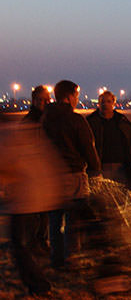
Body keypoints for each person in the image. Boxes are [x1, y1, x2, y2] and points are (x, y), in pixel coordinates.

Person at [0, 115, 69, 294]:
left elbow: (8, 167)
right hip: (40, 195)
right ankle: (38, 278)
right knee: (25, 242)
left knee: (19, 244)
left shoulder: (6, 136)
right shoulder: (24, 132)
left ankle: (38, 284)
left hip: (26, 199)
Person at [41, 80, 102, 268]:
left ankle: (56, 258)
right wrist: (96, 170)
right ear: (69, 97)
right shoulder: (75, 120)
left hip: (51, 176)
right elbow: (87, 147)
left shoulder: (45, 119)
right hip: (73, 175)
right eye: (76, 96)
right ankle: (71, 257)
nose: (77, 99)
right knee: (74, 221)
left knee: (54, 221)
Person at [87, 91, 131, 192]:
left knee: (120, 197)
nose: (105, 104)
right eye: (102, 101)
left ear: (113, 103)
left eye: (108, 101)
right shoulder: (91, 121)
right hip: (100, 167)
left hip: (120, 168)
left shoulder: (121, 121)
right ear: (98, 104)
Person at [20, 86, 53, 254]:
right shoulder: (29, 122)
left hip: (46, 173)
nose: (45, 103)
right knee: (34, 214)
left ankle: (41, 241)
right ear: (34, 101)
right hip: (32, 175)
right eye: (41, 99)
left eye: (47, 99)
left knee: (45, 214)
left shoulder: (49, 120)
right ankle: (34, 244)